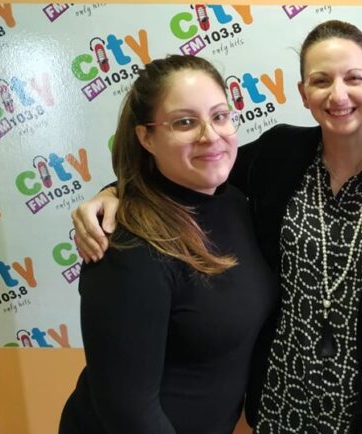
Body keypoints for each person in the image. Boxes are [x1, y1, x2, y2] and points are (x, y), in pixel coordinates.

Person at [71, 20, 362, 434]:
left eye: (353, 78)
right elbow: (194, 173)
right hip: (278, 401)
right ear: (303, 92)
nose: (338, 94)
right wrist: (114, 194)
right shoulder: (278, 154)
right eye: (321, 80)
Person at [59, 55, 277, 434]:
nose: (210, 135)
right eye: (185, 122)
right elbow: (128, 412)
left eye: (219, 116)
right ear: (146, 137)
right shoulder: (129, 245)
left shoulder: (234, 201)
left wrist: (114, 190)